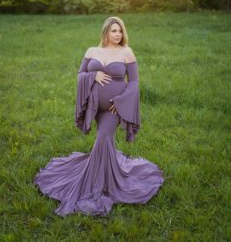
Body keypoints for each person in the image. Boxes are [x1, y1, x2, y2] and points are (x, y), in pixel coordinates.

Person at [34, 16, 164, 216]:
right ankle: (103, 171)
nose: (118, 34)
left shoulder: (126, 53)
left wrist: (121, 102)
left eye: (120, 31)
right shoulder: (92, 51)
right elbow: (80, 75)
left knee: (103, 138)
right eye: (113, 31)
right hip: (94, 106)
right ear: (106, 32)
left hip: (114, 108)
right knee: (104, 142)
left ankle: (99, 182)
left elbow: (135, 82)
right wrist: (92, 76)